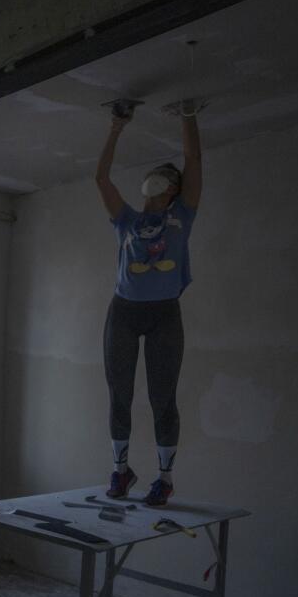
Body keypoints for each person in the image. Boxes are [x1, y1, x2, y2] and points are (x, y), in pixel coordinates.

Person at [94, 100, 204, 507]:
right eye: (151, 175)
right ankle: (121, 472)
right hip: (123, 311)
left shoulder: (183, 216)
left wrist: (189, 116)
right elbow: (101, 177)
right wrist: (116, 128)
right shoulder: (127, 220)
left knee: (163, 397)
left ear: (172, 189)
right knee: (118, 393)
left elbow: (193, 159)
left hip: (163, 313)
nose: (153, 180)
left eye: (162, 177)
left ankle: (165, 478)